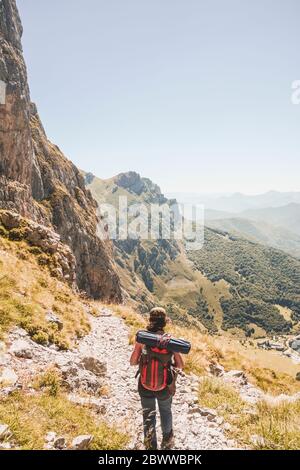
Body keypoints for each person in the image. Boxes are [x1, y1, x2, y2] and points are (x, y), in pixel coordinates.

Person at [130, 307, 184, 450]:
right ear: (164, 322)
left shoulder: (142, 339)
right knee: (165, 411)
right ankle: (167, 441)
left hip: (145, 384)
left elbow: (133, 362)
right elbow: (180, 365)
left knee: (148, 414)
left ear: (150, 320)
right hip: (164, 386)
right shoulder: (170, 341)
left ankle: (150, 445)